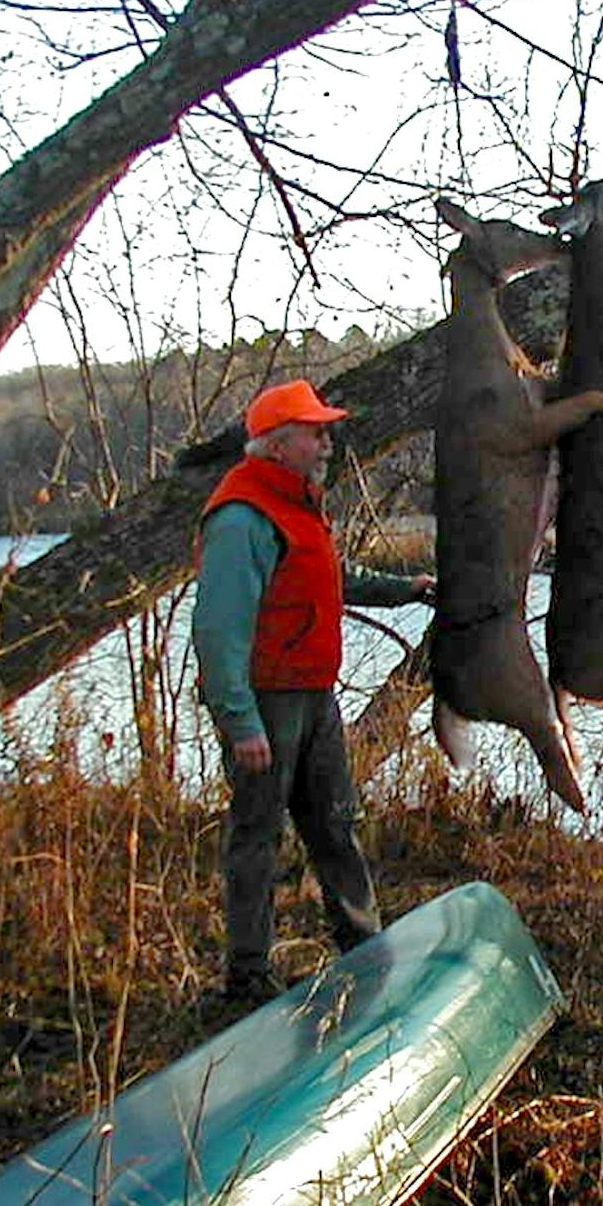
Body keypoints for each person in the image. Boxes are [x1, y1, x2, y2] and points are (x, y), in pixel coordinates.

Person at [193, 378, 434, 1002]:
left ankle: (365, 952)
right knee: (257, 836)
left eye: (326, 429)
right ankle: (247, 978)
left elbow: (331, 577)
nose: (327, 441)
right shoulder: (242, 515)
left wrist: (404, 589)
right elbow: (219, 629)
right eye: (315, 431)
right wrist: (240, 721)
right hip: (267, 701)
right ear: (277, 444)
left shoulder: (298, 504)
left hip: (313, 694)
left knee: (335, 824)